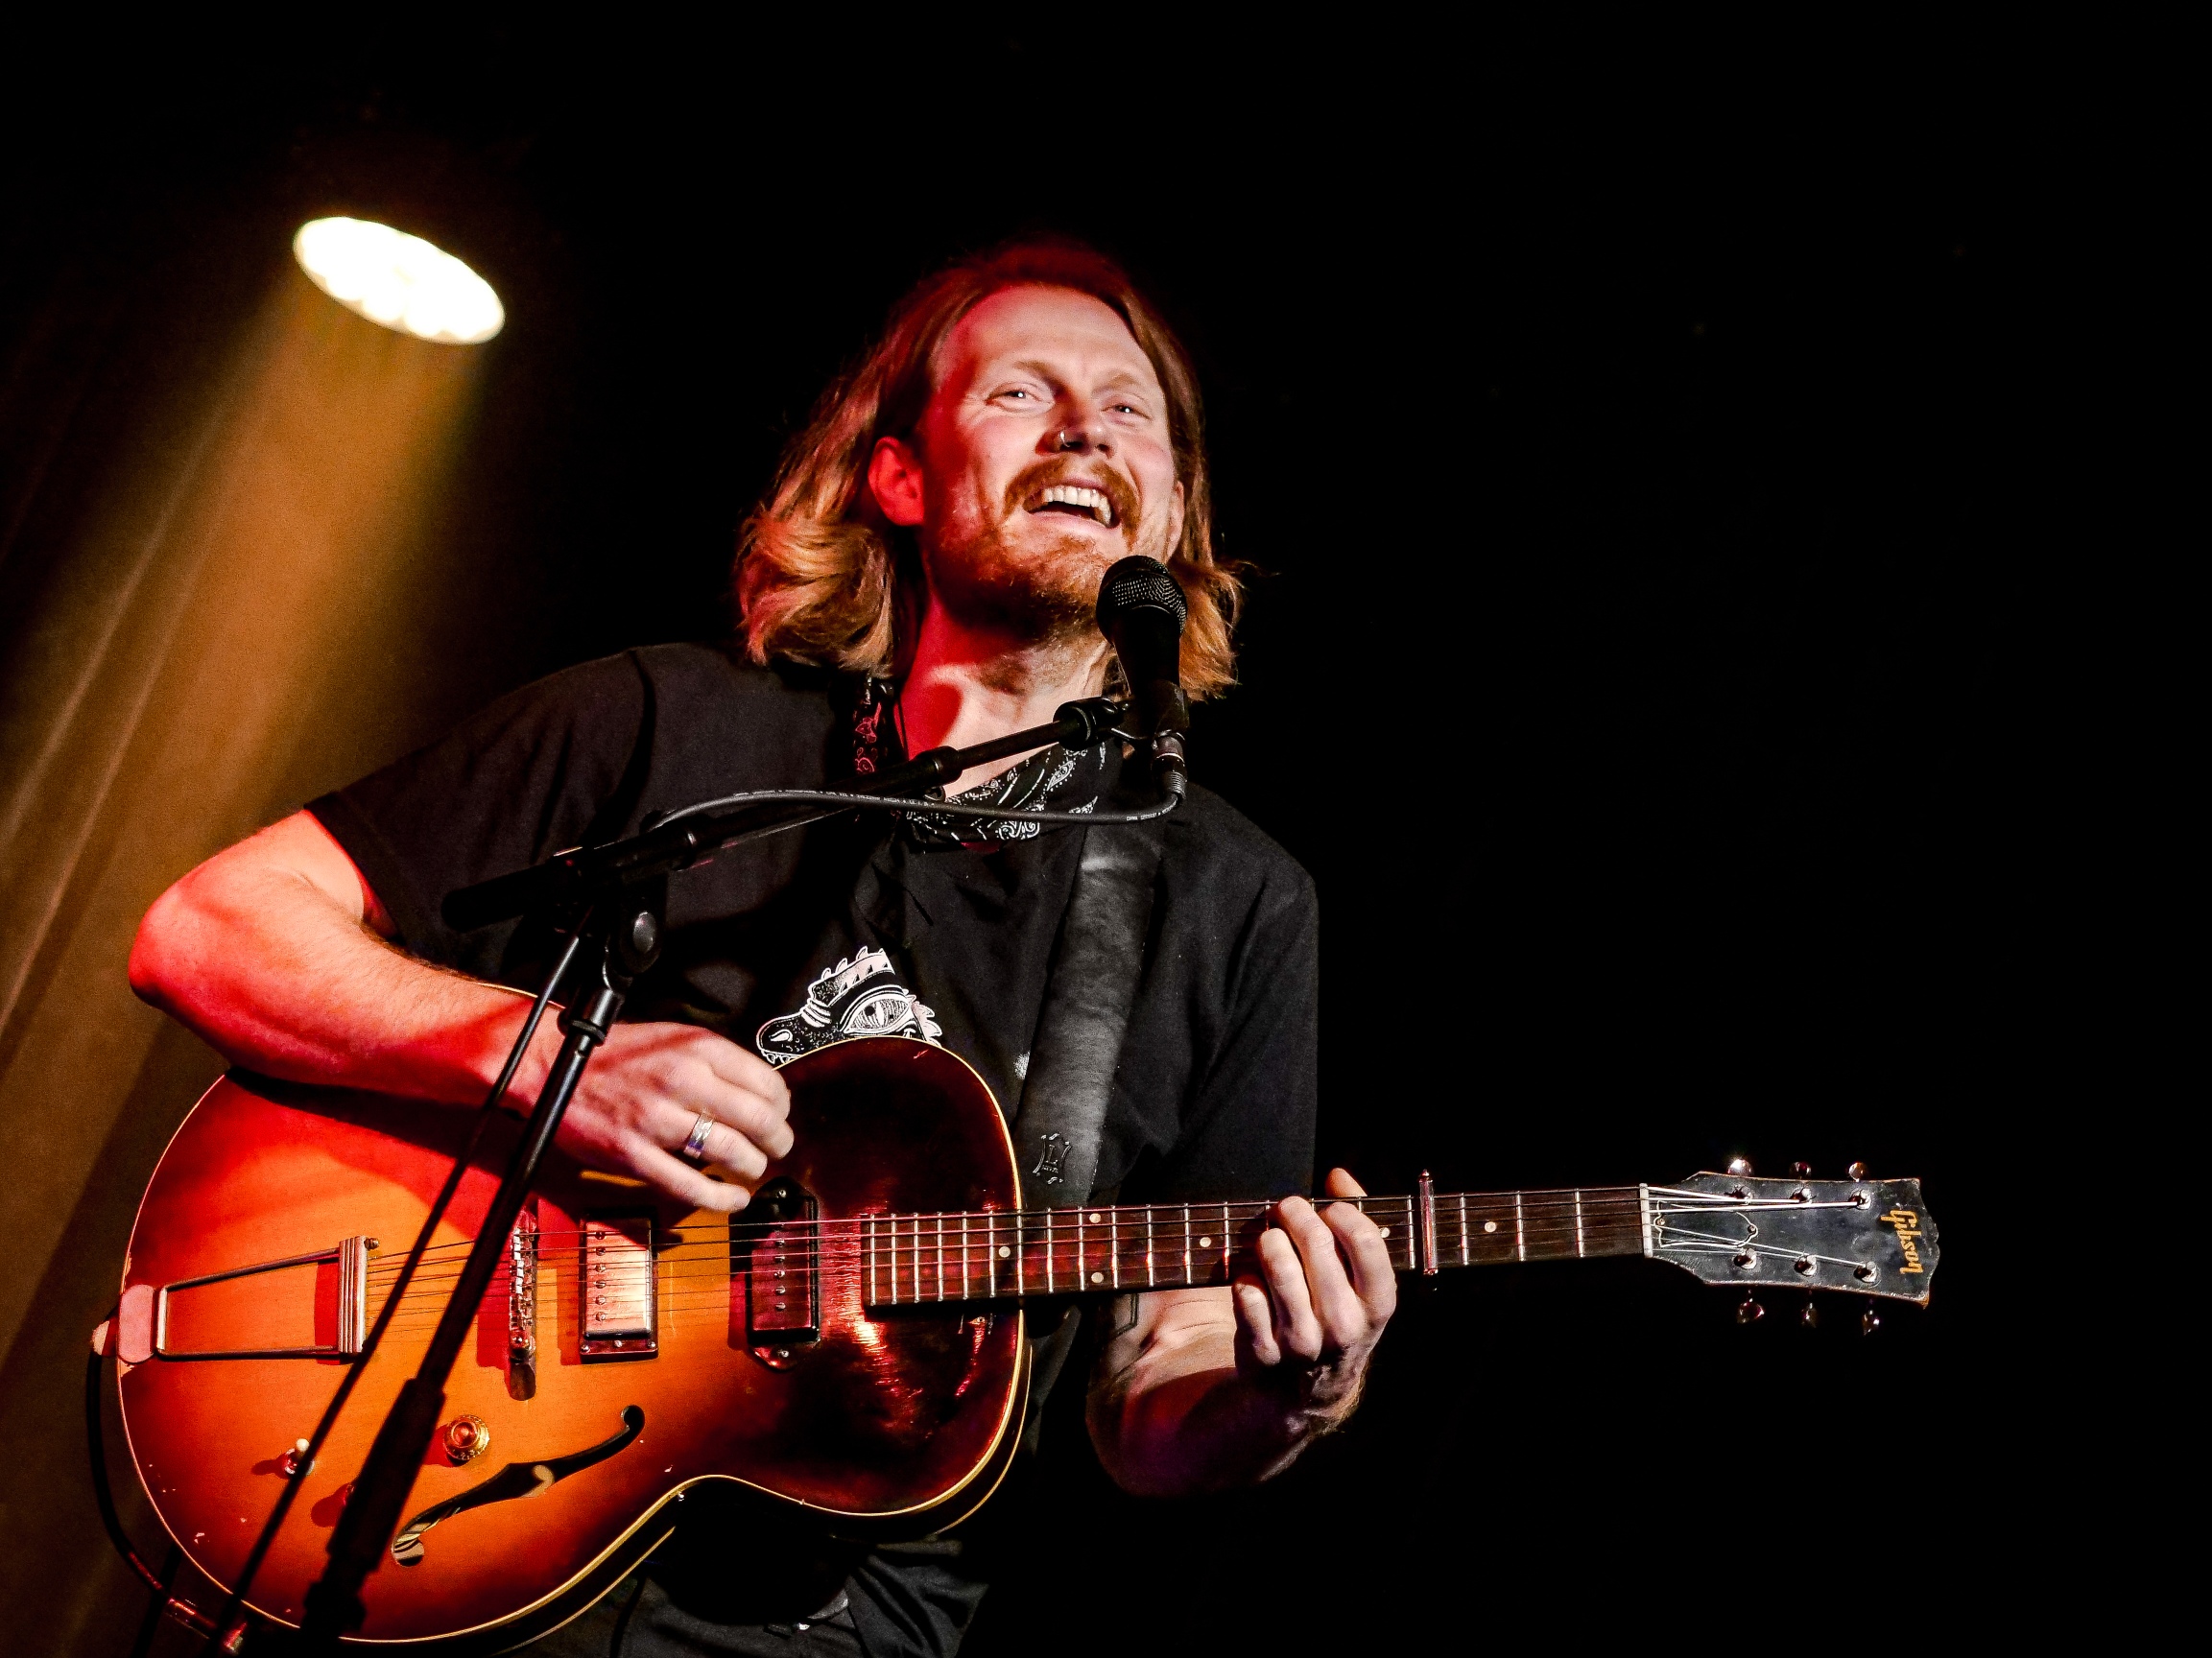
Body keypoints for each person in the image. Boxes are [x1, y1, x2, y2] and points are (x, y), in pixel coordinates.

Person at [129, 239, 1395, 1656]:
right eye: (1019, 393)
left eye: (1127, 410)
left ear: (1169, 504)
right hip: (454, 1512)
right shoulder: (671, 724)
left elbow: (1153, 1417)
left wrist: (1294, 1389)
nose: (1082, 429)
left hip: (830, 1616)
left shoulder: (1233, 902)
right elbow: (208, 929)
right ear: (899, 477)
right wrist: (552, 1066)